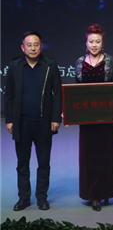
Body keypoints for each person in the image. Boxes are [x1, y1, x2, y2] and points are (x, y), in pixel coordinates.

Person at [4, 31, 62, 211]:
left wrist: (55, 118)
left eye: (36, 45)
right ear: (23, 48)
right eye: (29, 45)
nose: (33, 48)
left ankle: (42, 198)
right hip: (21, 123)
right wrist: (10, 120)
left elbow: (58, 93)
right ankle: (24, 198)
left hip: (44, 123)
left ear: (41, 47)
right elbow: (9, 95)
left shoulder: (50, 65)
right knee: (22, 164)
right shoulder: (14, 66)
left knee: (43, 163)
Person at [75, 24, 113, 212]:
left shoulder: (110, 61)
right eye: (91, 41)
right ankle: (92, 195)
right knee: (89, 155)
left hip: (106, 116)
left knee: (105, 154)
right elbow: (76, 90)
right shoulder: (79, 62)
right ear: (86, 43)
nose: (94, 45)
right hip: (86, 117)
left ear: (103, 43)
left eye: (97, 41)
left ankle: (105, 192)